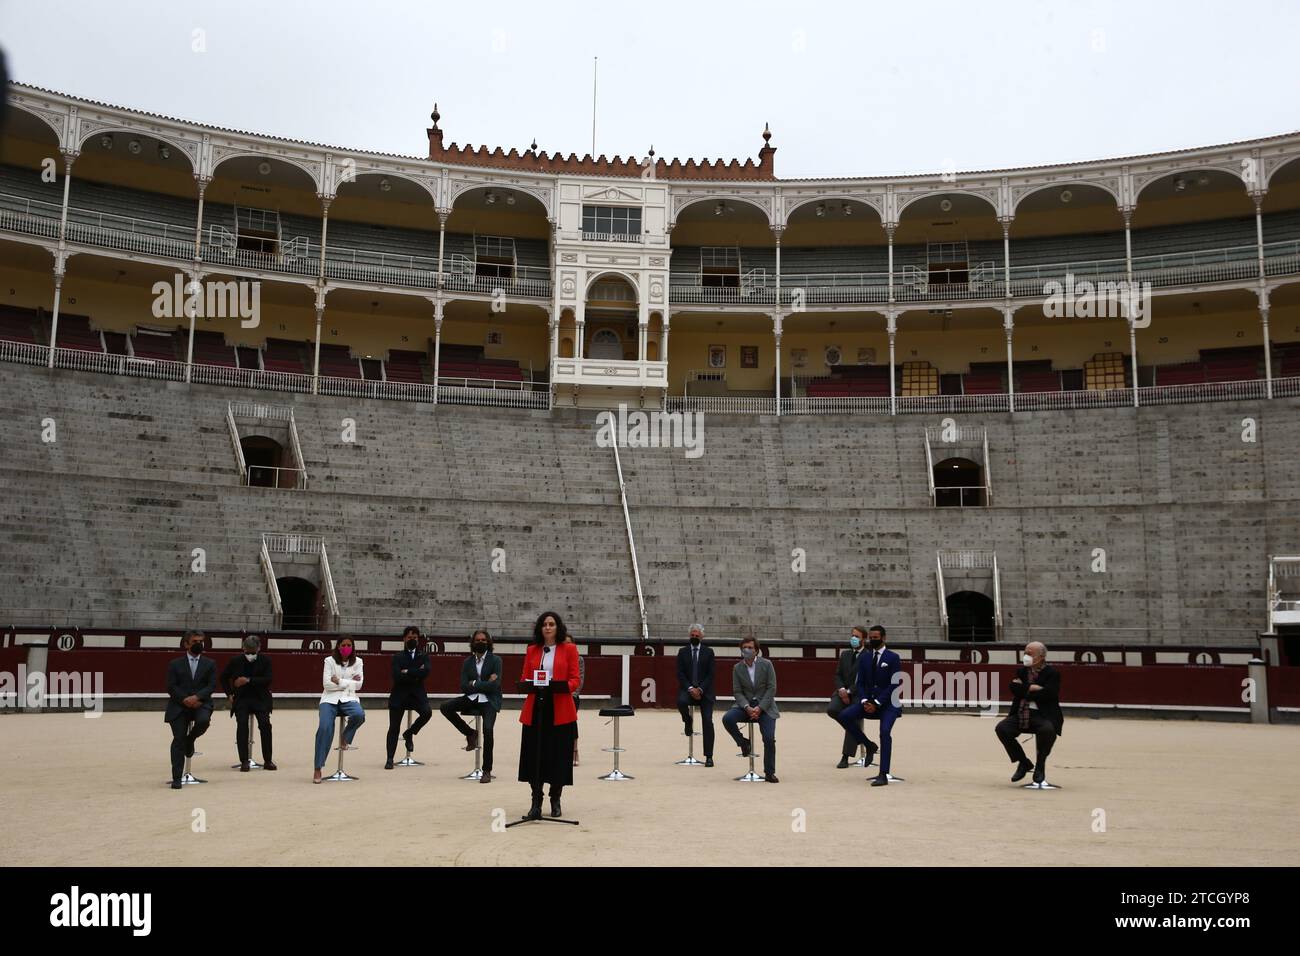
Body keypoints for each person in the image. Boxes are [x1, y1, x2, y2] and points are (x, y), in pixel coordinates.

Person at [518, 611, 580, 819]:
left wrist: (559, 687)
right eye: (544, 624)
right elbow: (525, 676)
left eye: (551, 624)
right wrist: (530, 684)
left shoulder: (569, 649)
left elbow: (575, 679)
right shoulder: (532, 650)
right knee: (534, 754)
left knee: (558, 756)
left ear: (558, 627)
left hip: (559, 707)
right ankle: (536, 800)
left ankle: (555, 798)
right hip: (536, 707)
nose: (547, 627)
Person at [837, 625, 902, 786]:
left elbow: (895, 684)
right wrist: (866, 701)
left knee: (885, 732)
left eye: (875, 638)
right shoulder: (865, 658)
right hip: (868, 702)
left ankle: (883, 773)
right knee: (844, 716)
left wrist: (877, 702)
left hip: (888, 704)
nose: (872, 640)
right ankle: (869, 745)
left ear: (884, 638)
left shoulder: (893, 657)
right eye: (871, 638)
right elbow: (860, 683)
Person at [439, 629, 503, 782]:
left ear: (488, 642)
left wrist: (474, 683)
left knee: (488, 730)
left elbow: (495, 686)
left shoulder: (496, 660)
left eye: (483, 640)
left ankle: (486, 770)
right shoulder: (467, 662)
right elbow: (463, 687)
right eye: (477, 640)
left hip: (489, 701)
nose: (480, 642)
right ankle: (470, 733)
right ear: (473, 644)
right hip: (472, 698)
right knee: (445, 707)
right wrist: (485, 683)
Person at [995, 641, 1064, 785]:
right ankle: (1023, 762)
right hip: (1021, 713)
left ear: (1041, 657)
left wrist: (1025, 691)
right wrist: (1033, 688)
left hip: (1043, 715)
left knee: (1048, 730)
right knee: (1002, 728)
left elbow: (1049, 694)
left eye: (1029, 653)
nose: (1026, 656)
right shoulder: (1021, 671)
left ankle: (1040, 765)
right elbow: (1013, 688)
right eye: (1025, 652)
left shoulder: (1052, 673)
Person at [721, 635, 780, 783]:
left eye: (750, 647)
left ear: (757, 651)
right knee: (727, 718)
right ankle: (743, 743)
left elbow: (771, 688)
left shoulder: (767, 664)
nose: (746, 650)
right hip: (745, 706)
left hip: (765, 708)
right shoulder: (737, 667)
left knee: (768, 738)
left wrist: (760, 708)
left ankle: (769, 772)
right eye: (744, 647)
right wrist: (747, 707)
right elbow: (737, 691)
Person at [165, 630, 216, 789]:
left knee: (203, 721)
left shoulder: (210, 663)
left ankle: (191, 739)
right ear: (186, 644)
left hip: (201, 703)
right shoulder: (175, 664)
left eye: (201, 641)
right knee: (178, 739)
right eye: (195, 641)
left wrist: (197, 698)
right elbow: (171, 686)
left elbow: (211, 686)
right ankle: (177, 778)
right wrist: (185, 699)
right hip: (179, 705)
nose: (199, 644)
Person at [220, 634, 276, 771]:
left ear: (258, 648)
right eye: (248, 651)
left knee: (265, 725)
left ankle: (268, 760)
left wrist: (248, 680)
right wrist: (229, 694)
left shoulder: (265, 660)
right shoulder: (235, 661)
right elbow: (223, 677)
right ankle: (244, 760)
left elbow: (268, 679)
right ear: (243, 648)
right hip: (242, 698)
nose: (250, 654)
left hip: (260, 698)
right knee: (242, 724)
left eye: (253, 651)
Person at [313, 637, 365, 784]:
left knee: (359, 715)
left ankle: (345, 737)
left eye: (349, 645)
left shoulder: (358, 662)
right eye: (344, 645)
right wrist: (349, 683)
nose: (346, 647)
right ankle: (318, 767)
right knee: (324, 727)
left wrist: (340, 681)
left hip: (349, 698)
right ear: (338, 646)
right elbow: (327, 685)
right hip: (329, 699)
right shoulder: (329, 661)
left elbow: (359, 685)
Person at [385, 626, 432, 769]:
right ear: (404, 639)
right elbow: (397, 677)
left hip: (417, 695)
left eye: (415, 638)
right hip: (399, 695)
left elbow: (426, 672)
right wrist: (416, 674)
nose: (413, 640)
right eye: (410, 638)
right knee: (394, 727)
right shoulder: (397, 656)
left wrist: (408, 672)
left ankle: (409, 732)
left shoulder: (423, 656)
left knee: (427, 712)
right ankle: (389, 758)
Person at [676, 623, 716, 766]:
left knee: (707, 720)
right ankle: (687, 721)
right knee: (681, 702)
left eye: (697, 636)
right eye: (692, 635)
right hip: (688, 689)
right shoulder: (682, 652)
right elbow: (680, 674)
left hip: (705, 692)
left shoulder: (709, 652)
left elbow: (711, 674)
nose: (694, 637)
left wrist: (700, 689)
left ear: (702, 636)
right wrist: (690, 688)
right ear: (689, 636)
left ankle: (709, 756)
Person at [829, 626, 866, 768]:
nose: (853, 639)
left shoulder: (867, 656)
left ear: (864, 639)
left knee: (852, 718)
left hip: (858, 695)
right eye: (852, 635)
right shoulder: (845, 654)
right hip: (842, 692)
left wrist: (849, 692)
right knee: (832, 709)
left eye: (857, 636)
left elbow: (864, 680)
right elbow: (838, 675)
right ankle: (853, 731)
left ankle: (845, 757)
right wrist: (842, 690)